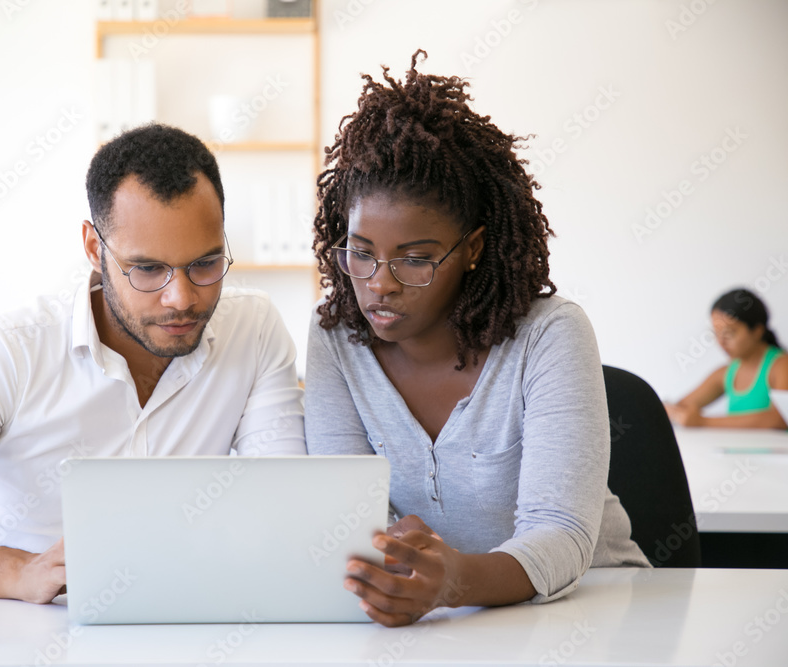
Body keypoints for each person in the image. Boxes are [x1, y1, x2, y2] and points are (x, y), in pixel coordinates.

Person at [0, 123, 305, 602]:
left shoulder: (254, 328)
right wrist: (21, 573)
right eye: (147, 269)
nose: (181, 299)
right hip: (22, 634)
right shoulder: (8, 350)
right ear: (94, 249)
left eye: (204, 264)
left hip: (185, 625)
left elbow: (289, 508)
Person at [304, 51, 649, 627]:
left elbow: (561, 533)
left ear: (472, 248)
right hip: (446, 628)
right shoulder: (336, 336)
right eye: (360, 254)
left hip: (597, 610)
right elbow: (348, 511)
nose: (379, 285)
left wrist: (455, 581)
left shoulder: (549, 335)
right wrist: (396, 549)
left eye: (415, 260)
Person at [665, 288, 787, 429]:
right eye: (716, 333)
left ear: (757, 331)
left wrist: (703, 422)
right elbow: (679, 406)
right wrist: (673, 411)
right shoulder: (727, 372)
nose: (721, 342)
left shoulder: (781, 365)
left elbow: (779, 419)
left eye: (729, 333)